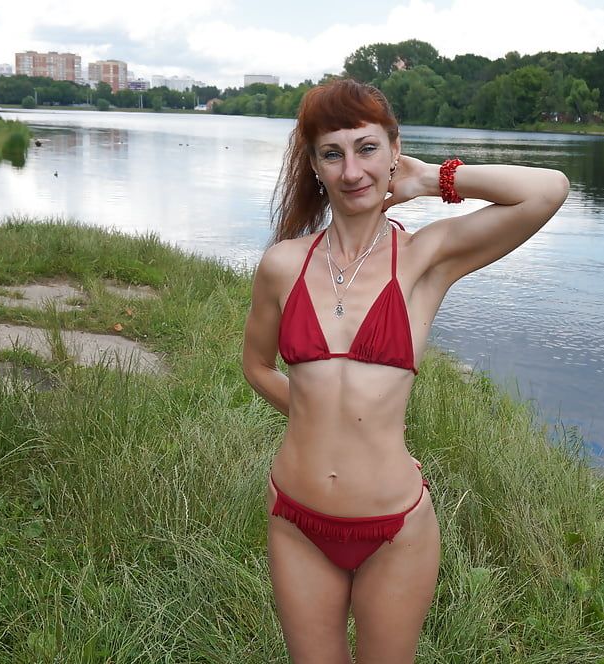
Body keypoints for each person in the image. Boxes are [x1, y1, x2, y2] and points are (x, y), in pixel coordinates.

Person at [242, 79, 568, 663]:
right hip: (297, 521)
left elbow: (547, 191)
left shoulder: (424, 260)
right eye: (332, 153)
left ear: (395, 149)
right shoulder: (283, 265)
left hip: (394, 530)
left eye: (367, 148)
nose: (351, 171)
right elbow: (257, 366)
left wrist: (432, 180)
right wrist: (318, 418)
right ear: (313, 165)